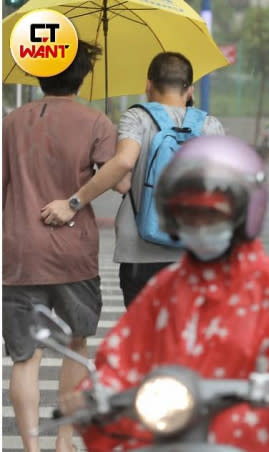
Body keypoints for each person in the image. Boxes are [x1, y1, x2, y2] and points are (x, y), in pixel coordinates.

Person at [58, 136, 269, 451]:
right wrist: (97, 396)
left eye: (212, 215)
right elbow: (119, 363)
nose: (200, 225)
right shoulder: (164, 292)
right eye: (189, 214)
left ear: (244, 213)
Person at [40, 52, 226, 307]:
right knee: (187, 337)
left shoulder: (137, 117)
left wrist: (74, 203)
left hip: (140, 249)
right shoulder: (210, 125)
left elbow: (124, 168)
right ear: (190, 90)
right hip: (195, 250)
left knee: (144, 338)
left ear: (148, 85)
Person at [2, 41, 115, 452]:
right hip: (74, 254)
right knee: (76, 344)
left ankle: (31, 448)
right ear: (83, 76)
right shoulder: (96, 121)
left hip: (19, 253)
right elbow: (119, 181)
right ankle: (64, 441)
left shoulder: (11, 122)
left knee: (24, 357)